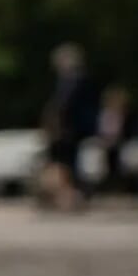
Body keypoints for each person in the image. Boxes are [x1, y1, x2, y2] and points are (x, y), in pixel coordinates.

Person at [38, 43, 100, 212]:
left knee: (69, 166)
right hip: (69, 131)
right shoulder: (70, 81)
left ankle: (72, 197)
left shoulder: (73, 81)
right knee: (68, 166)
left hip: (70, 131)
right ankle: (70, 197)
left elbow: (65, 107)